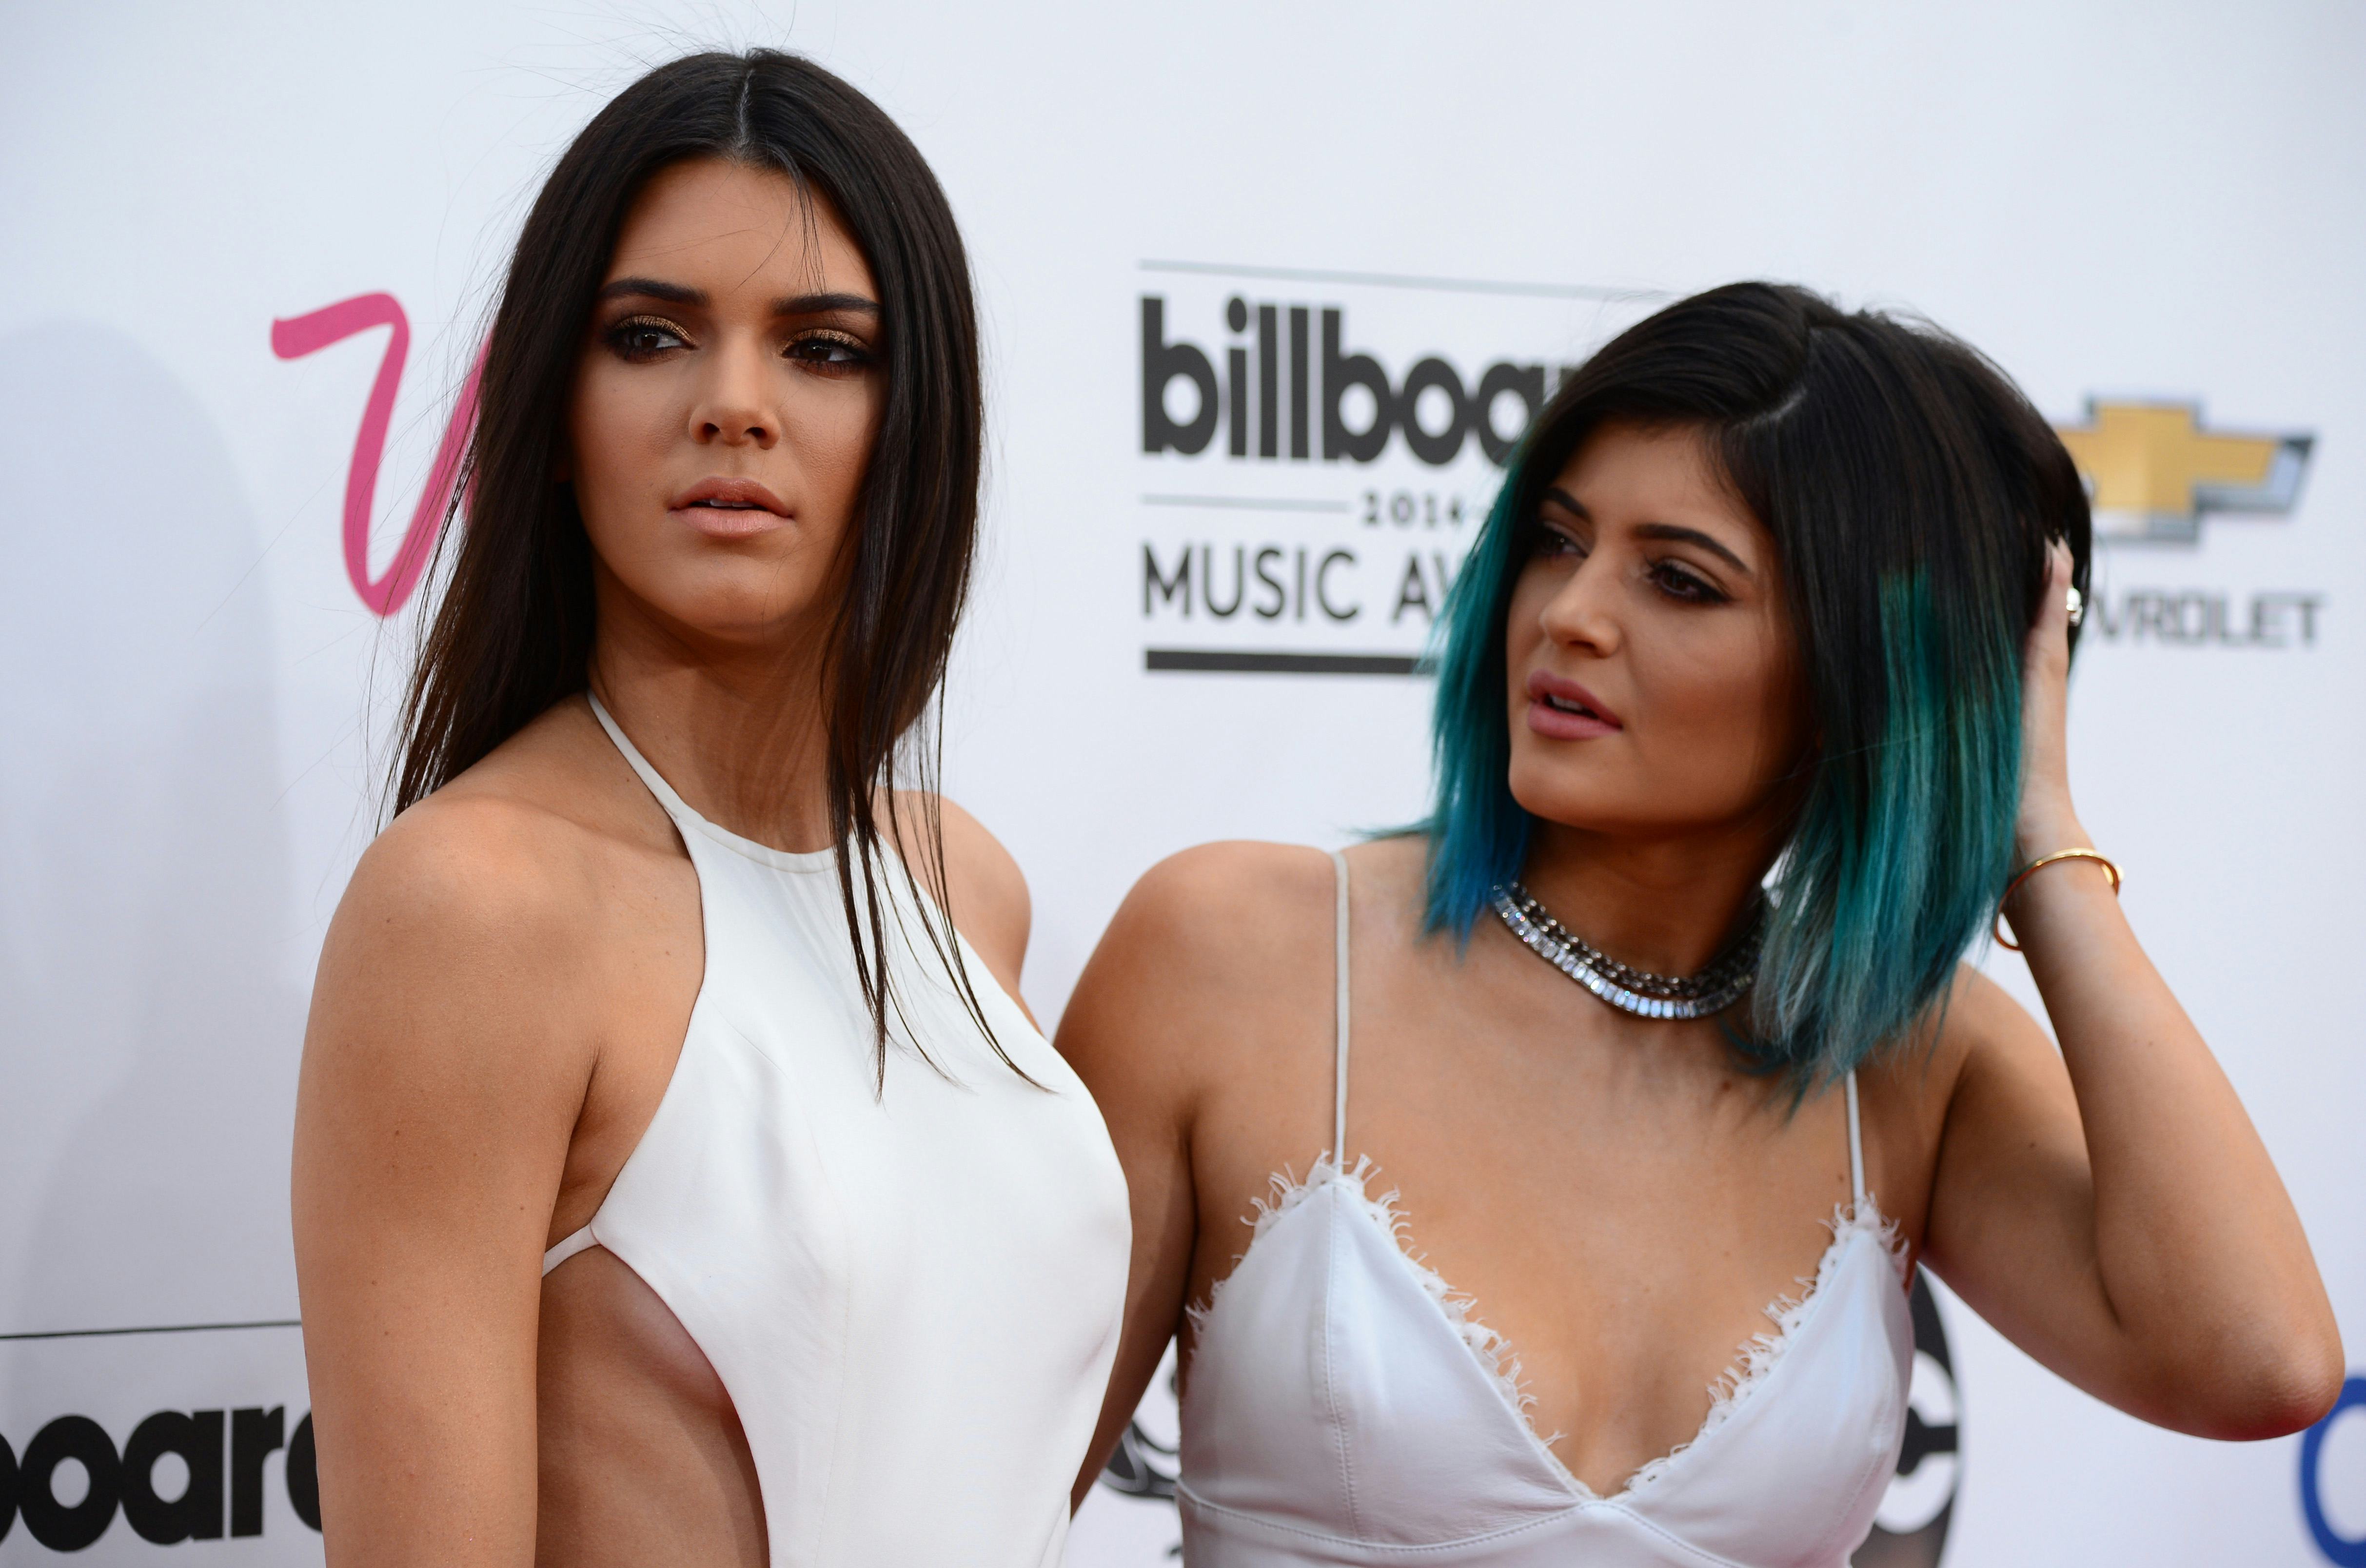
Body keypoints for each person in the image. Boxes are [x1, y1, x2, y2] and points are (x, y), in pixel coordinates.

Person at [1061, 283, 2343, 1565]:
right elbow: (988, 1507)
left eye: (1679, 580)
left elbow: (2259, 1363)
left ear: (1868, 667)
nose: (1569, 614)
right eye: (1559, 541)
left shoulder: (1905, 1054)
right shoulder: (1237, 954)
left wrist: (2037, 839)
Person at [292, 50, 1128, 1568]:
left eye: (822, 349)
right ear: (556, 407)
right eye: (651, 336)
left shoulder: (960, 880)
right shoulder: (476, 907)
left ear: (915, 417)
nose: (733, 405)